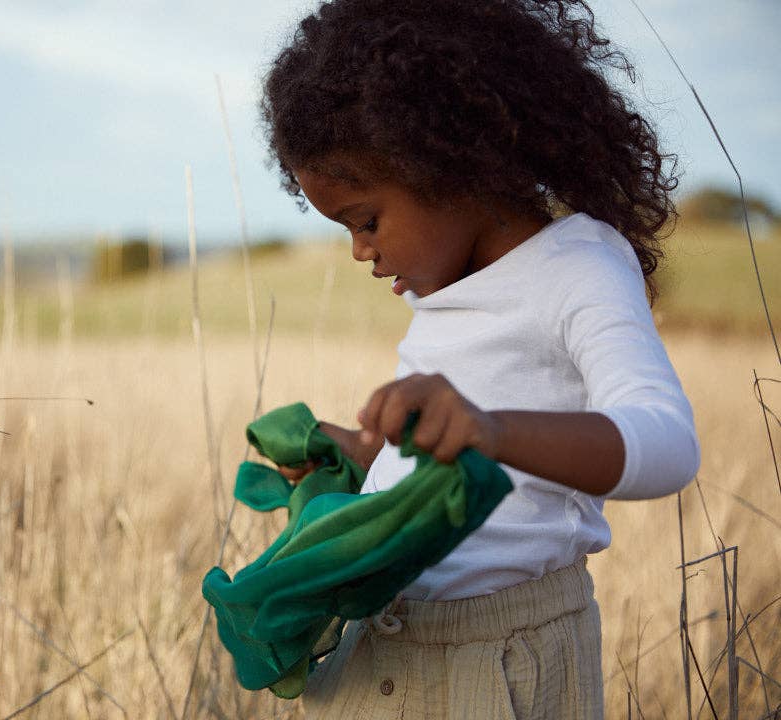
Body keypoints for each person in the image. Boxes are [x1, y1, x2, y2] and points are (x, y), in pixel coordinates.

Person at [259, 1, 701, 718]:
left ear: (448, 162)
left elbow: (669, 443)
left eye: (366, 221)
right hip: (381, 651)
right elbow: (449, 466)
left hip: (495, 663)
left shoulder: (578, 268)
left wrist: (488, 430)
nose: (359, 252)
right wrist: (368, 458)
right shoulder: (448, 293)